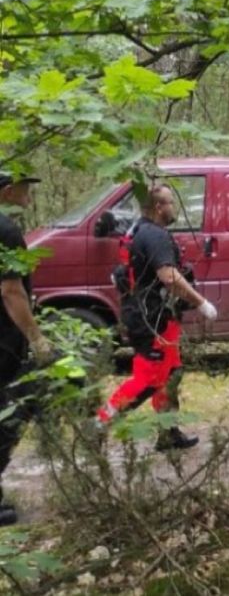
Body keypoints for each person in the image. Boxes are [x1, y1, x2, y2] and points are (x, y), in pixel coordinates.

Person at [97, 185, 218, 450]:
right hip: (151, 320)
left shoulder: (137, 230)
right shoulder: (154, 235)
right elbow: (168, 277)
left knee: (171, 373)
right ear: (159, 207)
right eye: (171, 202)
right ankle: (98, 424)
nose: (174, 207)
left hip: (155, 316)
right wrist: (201, 303)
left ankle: (168, 432)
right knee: (149, 379)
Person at [0, 173, 54, 525]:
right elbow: (11, 291)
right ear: (6, 191)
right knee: (11, 411)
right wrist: (36, 338)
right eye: (24, 187)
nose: (29, 193)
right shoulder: (6, 231)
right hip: (2, 340)